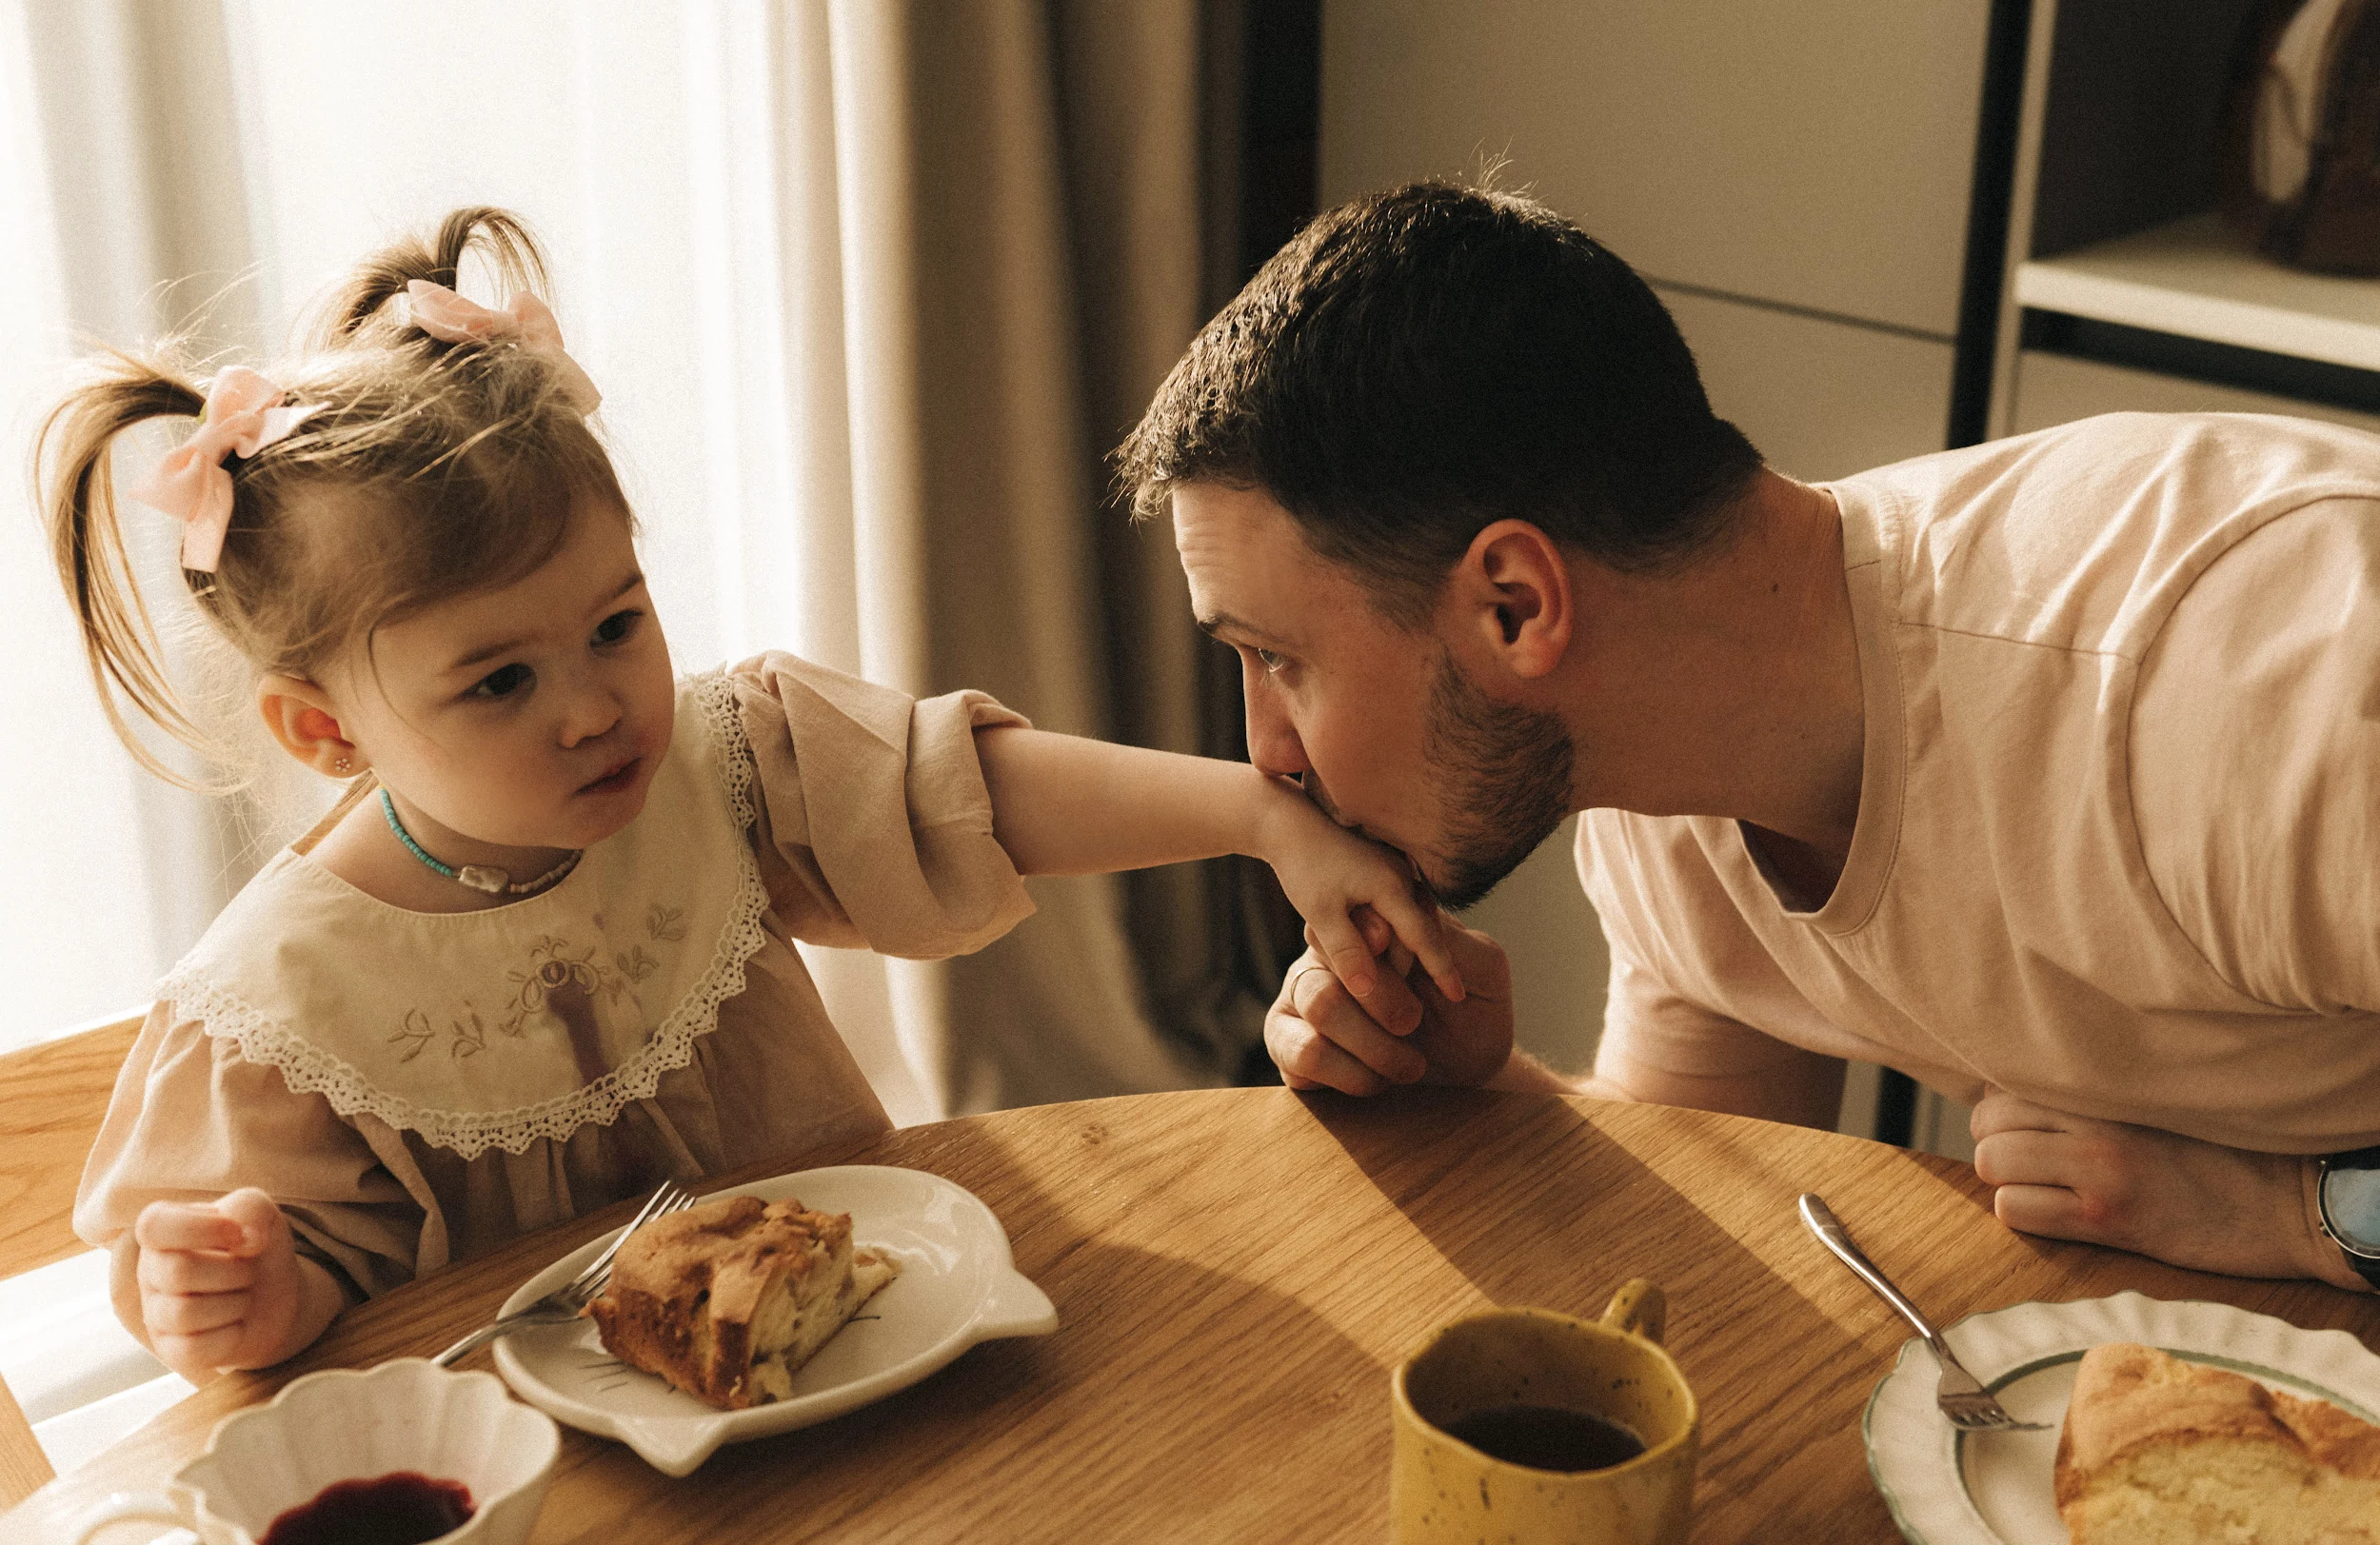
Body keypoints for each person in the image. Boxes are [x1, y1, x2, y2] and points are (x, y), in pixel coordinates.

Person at [50, 208, 1459, 1378]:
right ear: (324, 731)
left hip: (839, 1376)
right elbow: (283, 1312)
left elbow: (966, 791)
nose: (597, 707)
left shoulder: (716, 763)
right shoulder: (283, 1005)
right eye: (499, 683)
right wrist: (243, 1295)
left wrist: (1262, 816)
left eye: (615, 624)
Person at [1114, 180, 2380, 1295]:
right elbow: (1723, 1201)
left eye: (1278, 657)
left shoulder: (2238, 688)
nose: (1267, 752)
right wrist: (1479, 1088)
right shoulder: (1650, 781)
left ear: (1517, 604)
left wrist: (2294, 1213)